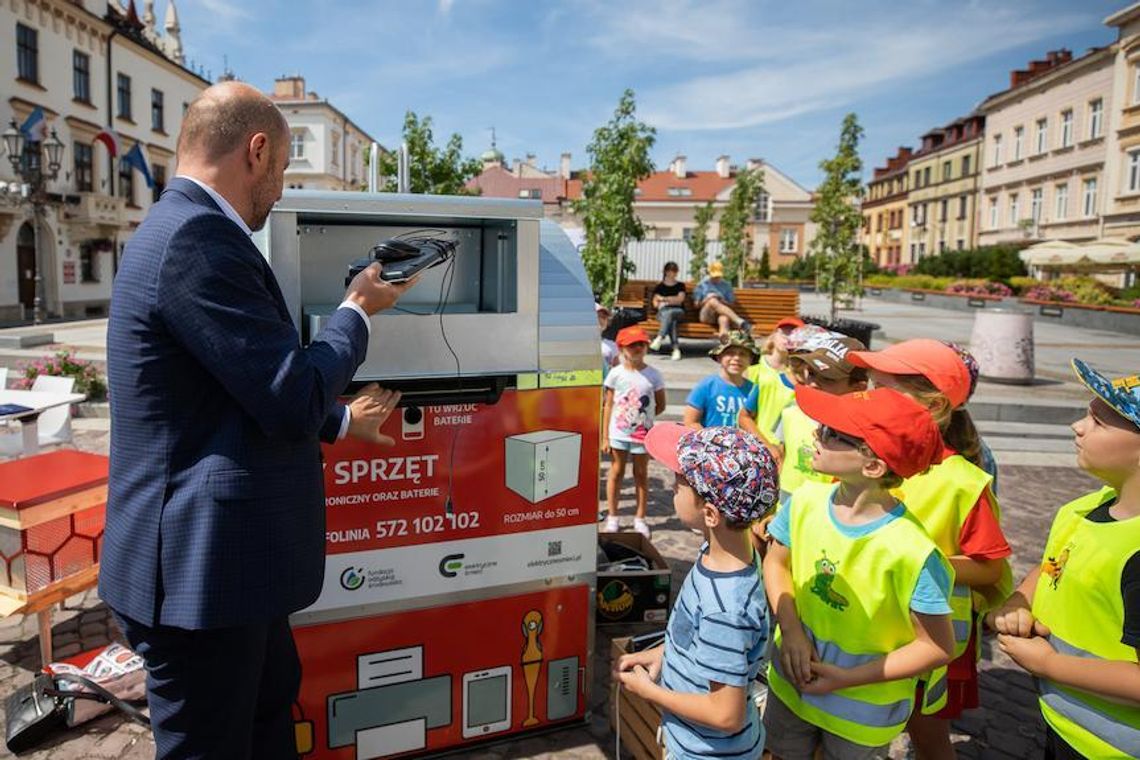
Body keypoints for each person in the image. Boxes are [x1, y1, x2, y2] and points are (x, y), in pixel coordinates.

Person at [100, 82, 415, 758]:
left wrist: (336, 424)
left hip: (227, 570)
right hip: (198, 576)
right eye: (280, 172)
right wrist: (356, 309)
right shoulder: (196, 238)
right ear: (258, 149)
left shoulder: (185, 228)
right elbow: (287, 389)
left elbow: (224, 391)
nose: (278, 191)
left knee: (268, 716)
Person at [763, 386, 956, 760]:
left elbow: (936, 646)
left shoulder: (913, 551)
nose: (817, 434)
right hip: (790, 686)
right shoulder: (804, 500)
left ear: (873, 466)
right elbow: (776, 562)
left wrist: (847, 679)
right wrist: (792, 631)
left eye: (834, 434)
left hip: (862, 713)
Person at [847, 339, 1011, 756]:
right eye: (868, 382)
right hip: (868, 625)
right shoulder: (864, 460)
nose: (867, 394)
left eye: (882, 386)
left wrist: (918, 563)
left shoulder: (963, 482)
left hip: (931, 636)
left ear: (932, 404)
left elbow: (989, 568)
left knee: (927, 734)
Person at [987, 359, 1140, 760]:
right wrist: (1019, 600)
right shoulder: (1085, 507)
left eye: (1099, 422)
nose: (1077, 426)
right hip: (1064, 724)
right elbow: (1054, 564)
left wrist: (1051, 666)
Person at [615, 424, 778, 760]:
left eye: (679, 485)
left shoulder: (726, 608)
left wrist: (650, 692)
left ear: (710, 514)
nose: (674, 488)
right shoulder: (722, 552)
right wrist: (664, 653)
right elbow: (697, 637)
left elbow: (725, 715)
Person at [742, 329, 866, 502]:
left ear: (858, 387)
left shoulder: (863, 431)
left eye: (828, 378)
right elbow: (782, 457)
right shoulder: (792, 410)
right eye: (812, 373)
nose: (813, 383)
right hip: (783, 505)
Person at [601, 326, 666, 537]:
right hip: (618, 433)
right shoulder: (615, 373)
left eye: (641, 344)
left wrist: (645, 421)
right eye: (632, 345)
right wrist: (605, 435)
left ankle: (640, 517)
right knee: (616, 471)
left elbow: (661, 404)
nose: (637, 348)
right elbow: (608, 405)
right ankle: (613, 515)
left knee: (641, 474)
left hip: (642, 435)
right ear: (621, 348)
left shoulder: (653, 375)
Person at [740, 317, 804, 440]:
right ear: (774, 336)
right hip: (757, 439)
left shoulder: (798, 377)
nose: (788, 339)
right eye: (784, 333)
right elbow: (743, 413)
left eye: (794, 335)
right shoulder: (752, 368)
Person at [684, 330, 757, 429]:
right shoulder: (707, 386)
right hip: (709, 442)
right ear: (719, 357)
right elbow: (690, 422)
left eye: (743, 354)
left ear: (751, 360)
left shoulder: (753, 390)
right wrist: (710, 440)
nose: (736, 358)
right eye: (730, 353)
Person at [694, 261, 751, 339]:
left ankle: (724, 343)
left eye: (718, 277)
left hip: (722, 314)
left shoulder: (726, 285)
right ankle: (740, 321)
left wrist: (721, 300)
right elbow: (696, 305)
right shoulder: (702, 285)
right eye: (714, 277)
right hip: (706, 316)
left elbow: (732, 305)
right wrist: (707, 299)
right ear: (709, 274)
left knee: (724, 319)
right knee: (712, 300)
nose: (716, 279)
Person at [648, 261, 687, 361]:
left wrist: (664, 299)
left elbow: (680, 300)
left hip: (678, 311)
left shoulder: (680, 286)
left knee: (670, 314)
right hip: (663, 313)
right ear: (665, 271)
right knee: (672, 322)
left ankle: (660, 337)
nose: (671, 273)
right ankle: (676, 349)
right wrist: (671, 300)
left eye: (674, 271)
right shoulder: (659, 286)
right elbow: (655, 303)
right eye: (669, 270)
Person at [597, 302, 619, 379]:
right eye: (596, 316)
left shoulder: (612, 345)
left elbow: (618, 369)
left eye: (603, 317)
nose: (600, 320)